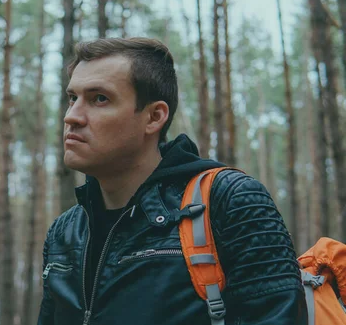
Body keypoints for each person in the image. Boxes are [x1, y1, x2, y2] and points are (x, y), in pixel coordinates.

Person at [37, 37, 307, 325]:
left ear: (154, 117)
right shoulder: (66, 232)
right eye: (72, 98)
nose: (72, 116)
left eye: (99, 98)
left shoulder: (227, 201)